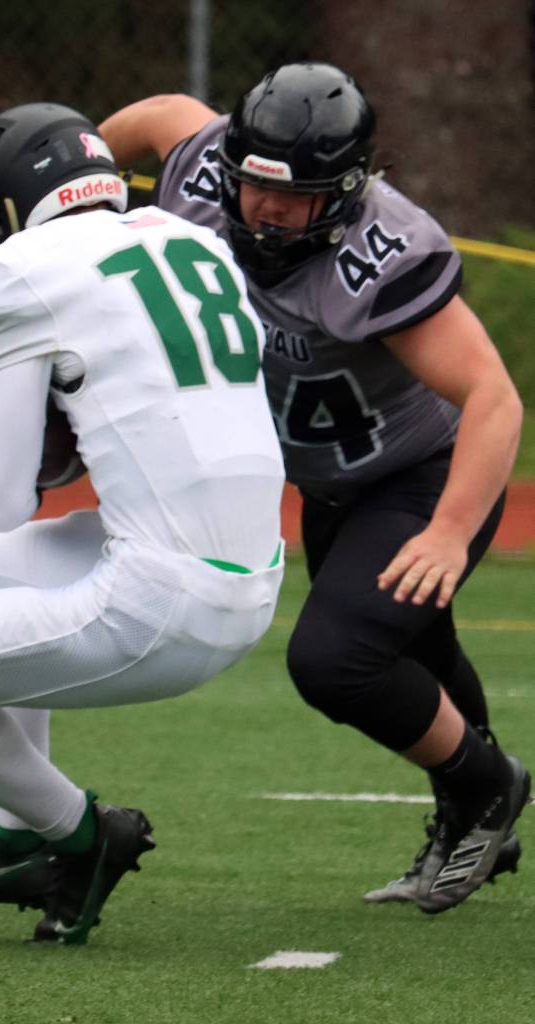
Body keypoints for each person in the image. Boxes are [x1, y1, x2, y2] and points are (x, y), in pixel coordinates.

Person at [96, 61, 530, 913]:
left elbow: (494, 398)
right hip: (331, 483)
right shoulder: (209, 168)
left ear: (346, 189)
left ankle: (487, 786)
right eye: (255, 183)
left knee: (336, 659)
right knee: (414, 651)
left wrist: (445, 532)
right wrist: (81, 185)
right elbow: (157, 115)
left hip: (416, 476)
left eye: (293, 196)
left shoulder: (382, 254)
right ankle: (478, 820)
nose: (265, 208)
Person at [0, 102, 286, 945]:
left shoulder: (19, 270)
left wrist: (54, 419)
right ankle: (15, 835)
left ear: (12, 209)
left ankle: (80, 833)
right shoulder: (188, 237)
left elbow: (8, 498)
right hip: (255, 579)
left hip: (161, 605)